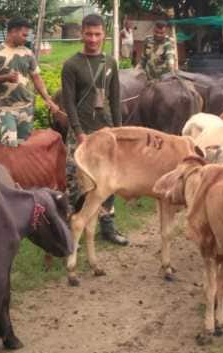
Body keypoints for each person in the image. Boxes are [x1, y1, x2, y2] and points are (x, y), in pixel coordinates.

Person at [61, 14, 128, 246]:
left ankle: (107, 227)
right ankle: (71, 232)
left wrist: (119, 132)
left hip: (106, 130)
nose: (92, 39)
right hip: (79, 131)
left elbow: (116, 98)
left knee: (108, 179)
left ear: (104, 35)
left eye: (97, 34)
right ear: (82, 34)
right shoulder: (71, 65)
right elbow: (68, 103)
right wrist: (79, 133)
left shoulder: (110, 63)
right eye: (88, 34)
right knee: (74, 180)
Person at [0, 17, 60, 147]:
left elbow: (37, 78)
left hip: (27, 108)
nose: (26, 38)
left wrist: (49, 100)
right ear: (13, 32)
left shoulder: (27, 52)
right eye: (24, 35)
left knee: (24, 147)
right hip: (6, 108)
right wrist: (6, 77)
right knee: (10, 146)